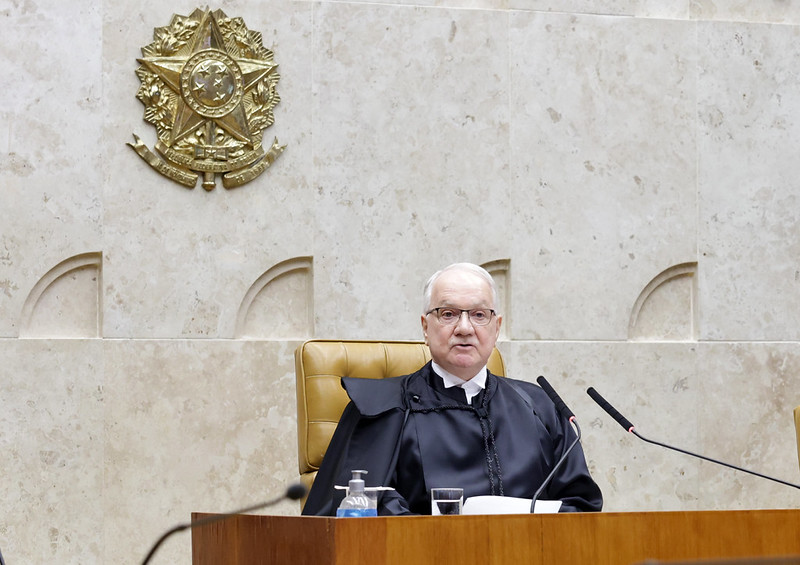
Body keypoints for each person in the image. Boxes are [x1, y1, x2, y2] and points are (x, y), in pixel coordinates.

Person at [302, 263, 602, 515]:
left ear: (496, 328)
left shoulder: (540, 406)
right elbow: (356, 507)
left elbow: (581, 506)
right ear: (425, 327)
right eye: (448, 314)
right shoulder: (380, 409)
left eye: (479, 315)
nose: (464, 327)